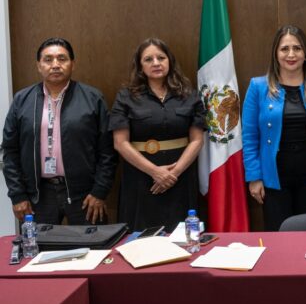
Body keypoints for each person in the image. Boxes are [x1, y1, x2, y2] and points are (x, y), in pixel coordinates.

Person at [1, 38, 117, 225]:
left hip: (85, 195)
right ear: (39, 66)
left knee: (94, 244)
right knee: (40, 244)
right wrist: (17, 195)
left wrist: (99, 191)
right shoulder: (22, 100)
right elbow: (9, 151)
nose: (55, 65)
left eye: (62, 59)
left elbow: (107, 151)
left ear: (72, 64)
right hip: (38, 196)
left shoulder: (92, 98)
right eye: (48, 59)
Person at [242, 25, 306, 232]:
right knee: (278, 235)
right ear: (275, 54)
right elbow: (250, 137)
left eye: (297, 48)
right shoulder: (258, 87)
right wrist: (254, 177)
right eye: (284, 49)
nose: (291, 54)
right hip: (273, 176)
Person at [109, 38, 206, 232]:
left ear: (169, 61)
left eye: (161, 58)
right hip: (141, 178)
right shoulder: (126, 97)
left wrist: (173, 174)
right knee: (141, 237)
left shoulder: (189, 95)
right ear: (140, 66)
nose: (156, 63)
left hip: (180, 177)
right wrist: (155, 172)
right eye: (148, 59)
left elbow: (197, 140)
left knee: (182, 236)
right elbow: (120, 143)